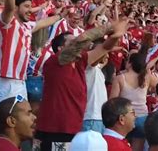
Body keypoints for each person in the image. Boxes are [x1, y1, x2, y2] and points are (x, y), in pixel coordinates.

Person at [35, 19, 130, 151]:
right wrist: (109, 27)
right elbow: (80, 41)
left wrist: (116, 35)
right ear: (60, 49)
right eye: (71, 41)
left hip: (73, 130)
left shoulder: (80, 62)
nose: (80, 45)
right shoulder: (55, 62)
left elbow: (104, 48)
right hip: (53, 130)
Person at [0, 0, 65, 132]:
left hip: (20, 85)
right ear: (16, 7)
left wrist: (60, 16)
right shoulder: (7, 22)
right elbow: (8, 8)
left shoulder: (27, 26)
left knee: (18, 125)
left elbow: (44, 23)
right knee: (0, 125)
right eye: (26, 6)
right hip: (6, 84)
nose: (30, 10)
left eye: (31, 6)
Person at [110, 33, 158, 151]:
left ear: (130, 63)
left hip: (125, 117)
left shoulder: (120, 78)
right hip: (142, 117)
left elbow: (112, 102)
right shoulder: (146, 77)